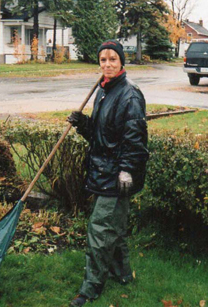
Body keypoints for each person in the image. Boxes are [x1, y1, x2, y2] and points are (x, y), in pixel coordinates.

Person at [67, 40, 149, 306]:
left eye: (113, 59)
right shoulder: (103, 91)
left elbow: (135, 140)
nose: (107, 64)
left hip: (117, 176)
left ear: (122, 62)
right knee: (115, 228)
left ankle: (90, 288)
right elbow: (101, 137)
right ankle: (122, 274)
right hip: (103, 171)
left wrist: (127, 171)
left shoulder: (130, 95)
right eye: (103, 60)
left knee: (99, 230)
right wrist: (83, 125)